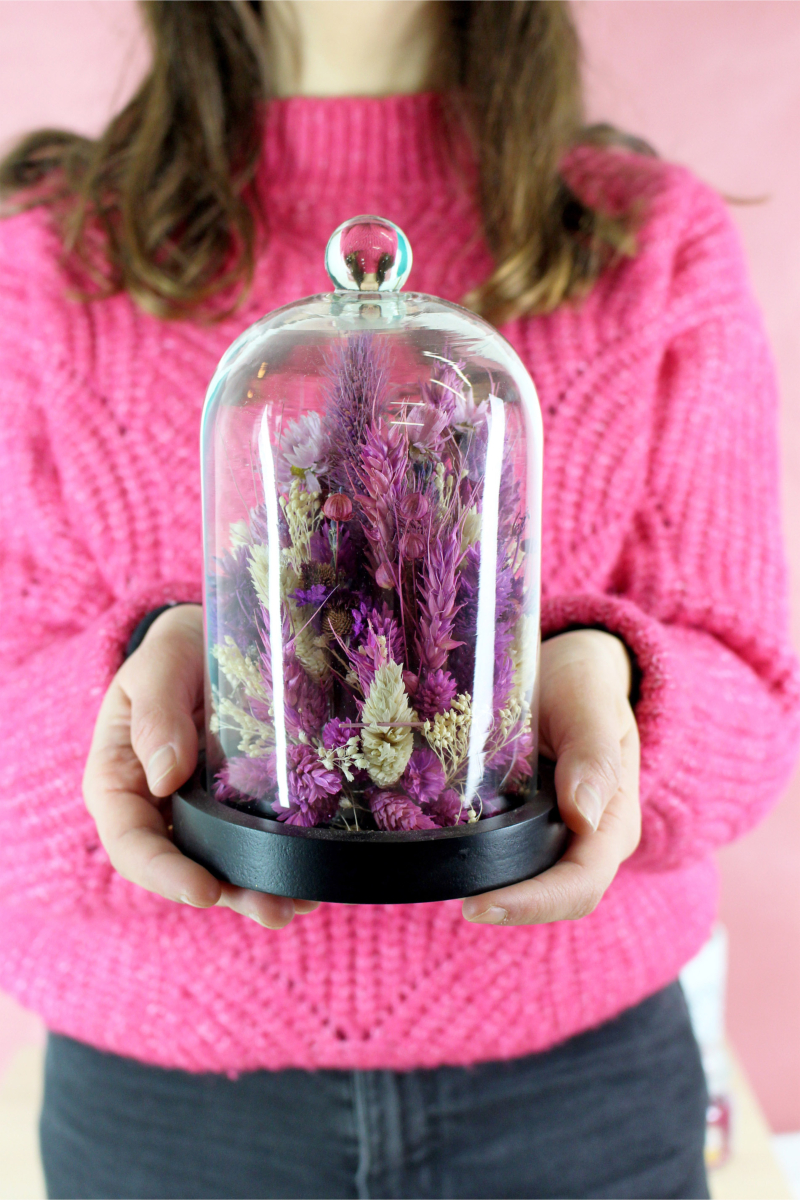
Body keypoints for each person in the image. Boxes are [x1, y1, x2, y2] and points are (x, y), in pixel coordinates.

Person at [0, 2, 797, 1197]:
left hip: (579, 1097)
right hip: (169, 1112)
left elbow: (756, 694)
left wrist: (603, 685)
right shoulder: (47, 255)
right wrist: (168, 668)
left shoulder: (644, 233)